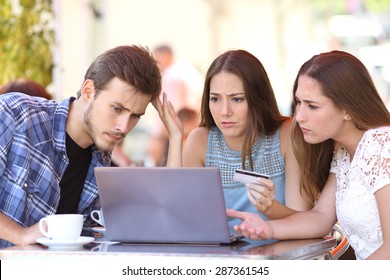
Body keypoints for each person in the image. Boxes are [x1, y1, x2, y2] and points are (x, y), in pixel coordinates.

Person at [0, 45, 182, 248]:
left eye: (135, 116)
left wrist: (175, 137)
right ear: (88, 91)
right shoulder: (14, 114)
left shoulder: (102, 162)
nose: (123, 127)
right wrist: (20, 235)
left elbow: (165, 222)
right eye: (117, 108)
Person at [227, 50, 390, 260]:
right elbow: (321, 218)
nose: (299, 116)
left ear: (347, 109)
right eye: (298, 102)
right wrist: (267, 229)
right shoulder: (345, 152)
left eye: (312, 106)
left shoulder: (381, 146)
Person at [182, 49, 312, 233]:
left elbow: (305, 223)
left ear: (258, 99)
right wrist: (174, 138)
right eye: (215, 99)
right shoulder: (199, 141)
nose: (225, 111)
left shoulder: (288, 134)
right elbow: (188, 221)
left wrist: (270, 208)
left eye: (237, 99)